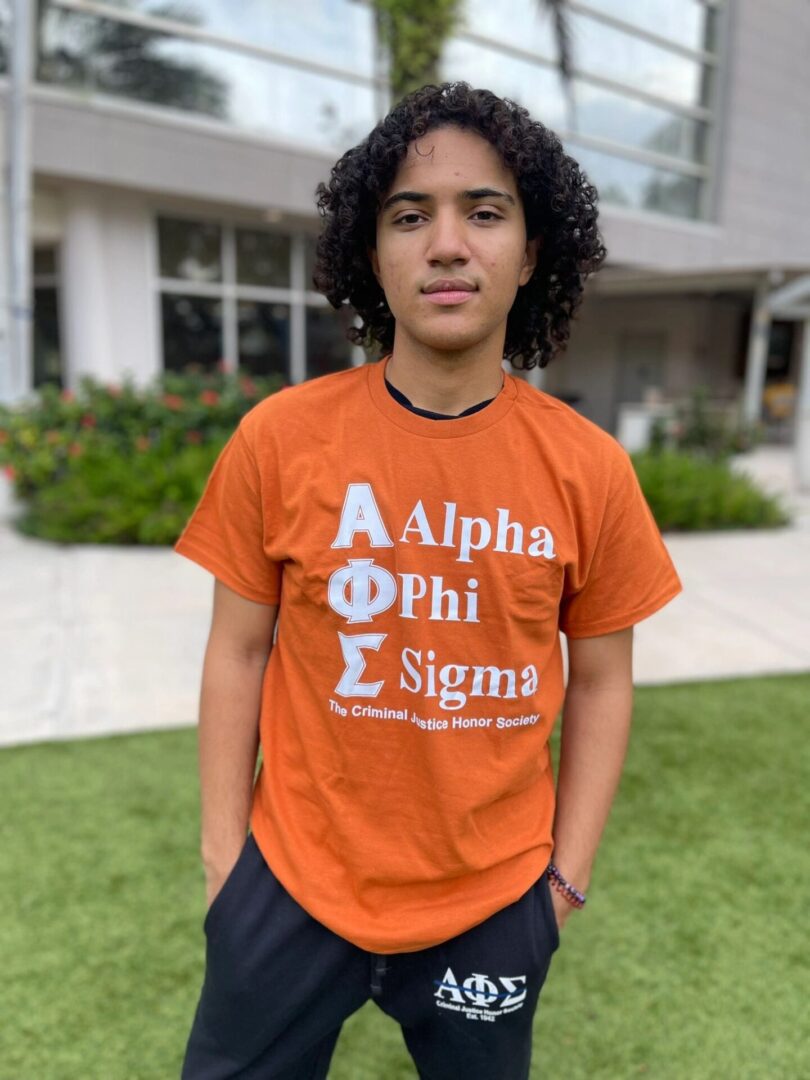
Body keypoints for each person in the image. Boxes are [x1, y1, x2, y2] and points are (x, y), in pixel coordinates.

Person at [174, 81, 682, 1079]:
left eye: (484, 213)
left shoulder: (588, 469)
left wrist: (562, 887)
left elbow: (603, 681)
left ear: (530, 252)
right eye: (411, 217)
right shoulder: (280, 439)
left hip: (493, 899)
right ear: (375, 254)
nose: (447, 244)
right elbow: (237, 652)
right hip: (288, 881)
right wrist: (226, 863)